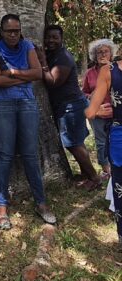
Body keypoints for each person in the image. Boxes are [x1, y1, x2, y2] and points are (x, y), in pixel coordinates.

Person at [0, 14, 56, 230]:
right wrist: (25, 75)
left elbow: (38, 74)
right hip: (2, 106)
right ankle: (1, 205)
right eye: (9, 31)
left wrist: (13, 72)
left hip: (27, 103)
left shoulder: (27, 46)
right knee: (5, 155)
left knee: (30, 154)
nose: (13, 34)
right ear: (2, 31)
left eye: (16, 30)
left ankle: (41, 202)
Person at [37, 25, 100, 190]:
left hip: (71, 106)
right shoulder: (55, 54)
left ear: (61, 39)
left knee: (73, 143)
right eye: (48, 37)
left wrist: (43, 61)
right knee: (77, 142)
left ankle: (94, 177)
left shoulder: (64, 58)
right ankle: (85, 174)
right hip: (67, 105)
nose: (51, 40)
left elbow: (53, 82)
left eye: (55, 37)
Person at [85, 57, 122, 251]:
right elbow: (91, 113)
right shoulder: (109, 71)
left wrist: (97, 110)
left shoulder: (109, 71)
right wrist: (96, 110)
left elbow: (90, 112)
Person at [83, 39, 117, 179]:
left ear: (111, 54)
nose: (102, 54)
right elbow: (83, 92)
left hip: (116, 112)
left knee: (116, 140)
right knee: (101, 142)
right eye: (99, 52)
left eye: (105, 51)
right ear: (94, 55)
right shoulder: (90, 73)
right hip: (97, 113)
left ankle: (117, 167)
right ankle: (106, 170)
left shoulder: (117, 70)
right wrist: (90, 97)